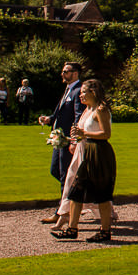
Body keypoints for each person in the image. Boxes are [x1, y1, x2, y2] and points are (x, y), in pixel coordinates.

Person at [51, 79, 117, 242]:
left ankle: (105, 231)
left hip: (98, 152)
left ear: (92, 92)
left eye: (83, 92)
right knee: (76, 191)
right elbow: (84, 131)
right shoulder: (89, 109)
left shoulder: (101, 109)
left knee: (102, 194)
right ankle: (72, 228)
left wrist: (83, 134)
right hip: (87, 151)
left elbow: (106, 134)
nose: (80, 95)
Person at [37, 62, 84, 224]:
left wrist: (74, 139)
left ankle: (62, 211)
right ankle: (74, 201)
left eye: (66, 71)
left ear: (76, 73)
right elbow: (60, 112)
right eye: (63, 71)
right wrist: (49, 119)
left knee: (65, 176)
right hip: (59, 138)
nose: (62, 74)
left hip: (67, 140)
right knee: (55, 171)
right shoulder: (68, 89)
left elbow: (78, 116)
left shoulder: (78, 91)